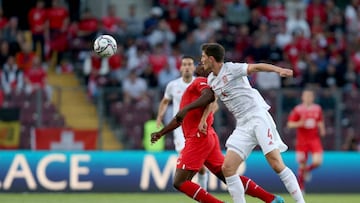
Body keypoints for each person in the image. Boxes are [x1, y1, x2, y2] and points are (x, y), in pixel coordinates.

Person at [151, 64, 284, 203]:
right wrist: (161, 133)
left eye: (203, 62)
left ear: (208, 69)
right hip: (207, 136)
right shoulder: (201, 87)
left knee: (180, 182)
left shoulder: (201, 81)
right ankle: (272, 199)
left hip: (198, 138)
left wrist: (186, 109)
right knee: (228, 176)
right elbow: (179, 118)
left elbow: (208, 95)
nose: (200, 64)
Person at [200, 43, 305, 203]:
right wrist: (204, 119)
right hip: (242, 124)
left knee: (276, 164)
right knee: (227, 168)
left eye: (203, 57)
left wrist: (279, 70)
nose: (201, 60)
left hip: (257, 117)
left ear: (211, 59)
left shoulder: (231, 69)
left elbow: (256, 67)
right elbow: (213, 101)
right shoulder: (211, 79)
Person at [155, 56, 209, 190]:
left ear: (193, 67)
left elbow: (211, 102)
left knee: (200, 167)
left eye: (190, 64)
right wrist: (159, 117)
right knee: (191, 163)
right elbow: (165, 101)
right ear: (180, 68)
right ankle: (201, 193)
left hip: (197, 128)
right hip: (180, 130)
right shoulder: (173, 85)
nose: (186, 67)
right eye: (184, 64)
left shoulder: (200, 83)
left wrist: (204, 119)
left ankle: (203, 191)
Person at [287, 89, 326, 192]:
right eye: (306, 96)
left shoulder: (317, 109)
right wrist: (299, 123)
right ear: (302, 97)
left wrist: (322, 129)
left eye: (310, 96)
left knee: (318, 161)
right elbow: (290, 124)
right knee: (302, 163)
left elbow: (320, 120)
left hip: (314, 139)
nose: (308, 98)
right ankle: (301, 187)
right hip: (302, 141)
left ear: (313, 98)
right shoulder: (298, 109)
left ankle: (307, 171)